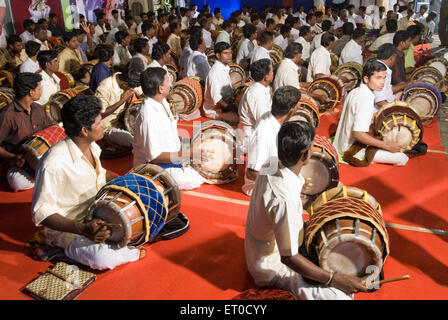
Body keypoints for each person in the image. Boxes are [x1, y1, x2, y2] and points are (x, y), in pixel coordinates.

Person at [245, 120, 367, 300]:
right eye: (311, 147)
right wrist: (334, 279)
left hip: (264, 247)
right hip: (273, 268)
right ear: (306, 154)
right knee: (343, 296)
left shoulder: (272, 162)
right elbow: (289, 258)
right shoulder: (284, 200)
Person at [31, 94, 144, 270]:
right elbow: (41, 213)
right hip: (72, 228)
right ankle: (61, 249)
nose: (104, 125)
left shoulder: (91, 146)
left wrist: (128, 183)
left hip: (98, 214)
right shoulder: (53, 163)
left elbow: (100, 174)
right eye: (99, 123)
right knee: (103, 259)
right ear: (84, 130)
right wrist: (83, 229)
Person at [133, 67, 204, 190]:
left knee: (203, 158)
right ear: (160, 88)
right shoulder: (148, 115)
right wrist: (188, 153)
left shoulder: (162, 102)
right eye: (167, 81)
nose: (170, 84)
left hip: (173, 154)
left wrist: (187, 143)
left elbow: (169, 133)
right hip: (153, 166)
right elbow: (154, 157)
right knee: (195, 178)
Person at [333, 59, 409, 166]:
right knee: (403, 158)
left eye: (384, 78)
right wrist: (387, 145)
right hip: (352, 149)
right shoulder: (366, 98)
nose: (382, 82)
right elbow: (358, 134)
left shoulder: (355, 91)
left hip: (341, 143)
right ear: (366, 78)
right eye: (378, 78)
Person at [242, 86, 300, 197]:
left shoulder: (269, 116)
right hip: (258, 190)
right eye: (298, 105)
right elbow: (252, 173)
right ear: (291, 111)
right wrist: (282, 181)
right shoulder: (264, 134)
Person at [0, 72, 51, 192]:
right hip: (18, 164)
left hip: (39, 158)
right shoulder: (7, 115)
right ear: (31, 92)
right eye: (39, 88)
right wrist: (13, 157)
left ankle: (41, 177)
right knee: (17, 182)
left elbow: (49, 131)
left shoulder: (38, 109)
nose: (41, 90)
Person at [95, 71, 140, 148]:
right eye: (130, 87)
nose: (132, 89)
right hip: (108, 127)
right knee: (136, 142)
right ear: (125, 84)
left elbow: (139, 90)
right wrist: (123, 100)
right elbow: (100, 115)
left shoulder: (123, 77)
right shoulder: (104, 87)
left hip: (122, 120)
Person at [238, 59, 274, 154]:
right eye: (271, 71)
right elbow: (263, 121)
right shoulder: (256, 93)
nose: (273, 73)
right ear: (265, 77)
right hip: (251, 137)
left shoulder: (264, 87)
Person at [202, 42, 239, 123]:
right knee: (241, 119)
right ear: (218, 55)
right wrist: (234, 109)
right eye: (226, 53)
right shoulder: (215, 73)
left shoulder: (225, 67)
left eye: (230, 52)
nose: (230, 55)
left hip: (225, 105)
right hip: (215, 110)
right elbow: (218, 100)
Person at [374, 43, 408, 109]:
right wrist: (397, 108)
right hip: (379, 111)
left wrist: (405, 85)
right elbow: (380, 102)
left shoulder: (379, 66)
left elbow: (387, 89)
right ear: (391, 58)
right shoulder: (380, 71)